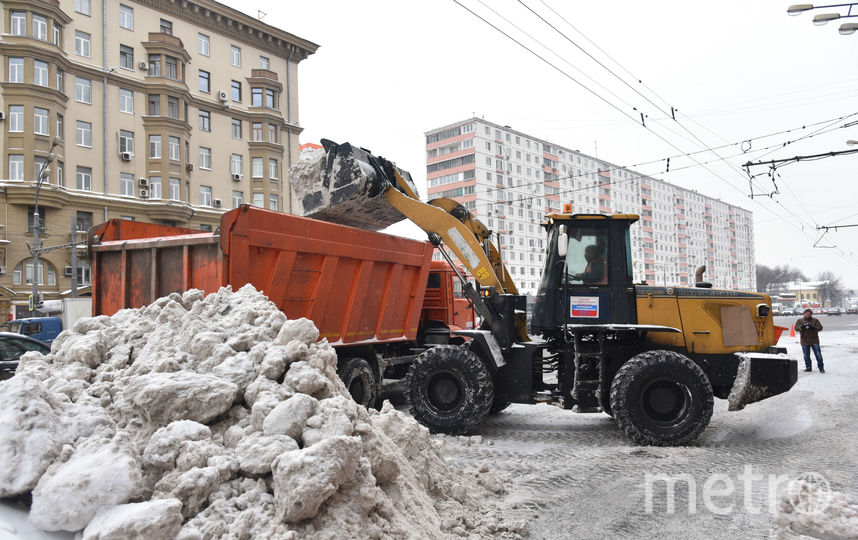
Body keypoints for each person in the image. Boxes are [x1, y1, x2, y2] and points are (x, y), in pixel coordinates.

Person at [794, 308, 824, 373]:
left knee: (818, 355)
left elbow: (820, 328)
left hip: (814, 340)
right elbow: (796, 328)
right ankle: (808, 367)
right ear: (804, 314)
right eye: (806, 314)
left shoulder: (815, 320)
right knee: (806, 355)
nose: (807, 315)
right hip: (804, 341)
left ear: (811, 314)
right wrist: (801, 327)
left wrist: (813, 327)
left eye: (809, 314)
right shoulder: (800, 320)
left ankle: (821, 368)